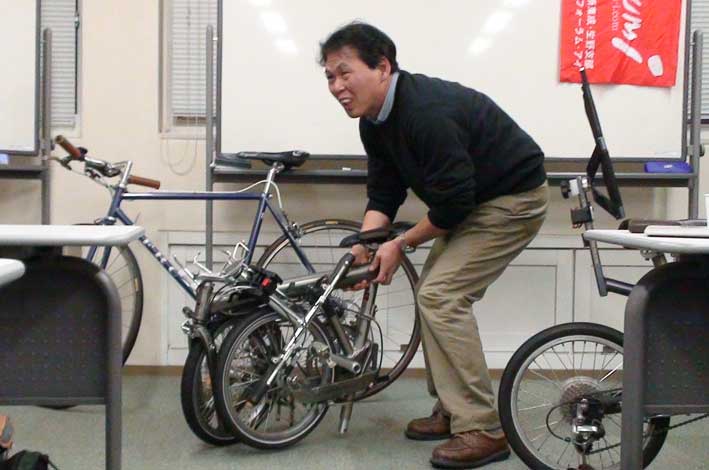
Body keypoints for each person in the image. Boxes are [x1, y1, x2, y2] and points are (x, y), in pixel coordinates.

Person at [320, 22, 549, 469]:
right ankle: (454, 408)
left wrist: (400, 243)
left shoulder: (425, 112)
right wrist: (365, 245)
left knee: (441, 296)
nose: (336, 87)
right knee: (434, 294)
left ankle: (483, 428)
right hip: (473, 201)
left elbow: (454, 202)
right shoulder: (374, 121)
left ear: (382, 67)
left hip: (513, 199)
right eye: (329, 77)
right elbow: (384, 192)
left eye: (345, 73)